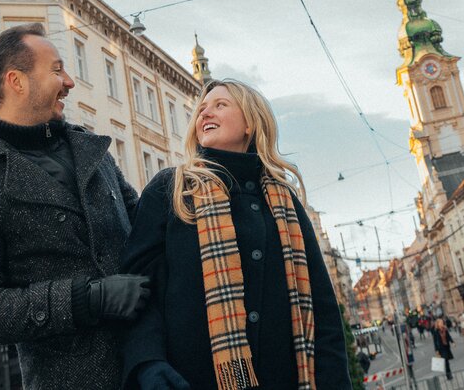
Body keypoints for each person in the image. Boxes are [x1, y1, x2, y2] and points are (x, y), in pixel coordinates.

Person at [0, 23, 146, 390]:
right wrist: (87, 299)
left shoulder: (89, 150)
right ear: (16, 81)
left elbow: (143, 229)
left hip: (151, 365)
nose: (69, 81)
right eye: (56, 70)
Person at [121, 78, 350, 389]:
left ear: (250, 124)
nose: (205, 113)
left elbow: (322, 310)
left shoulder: (284, 201)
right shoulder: (171, 190)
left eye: (220, 105)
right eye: (201, 109)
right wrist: (148, 362)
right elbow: (138, 289)